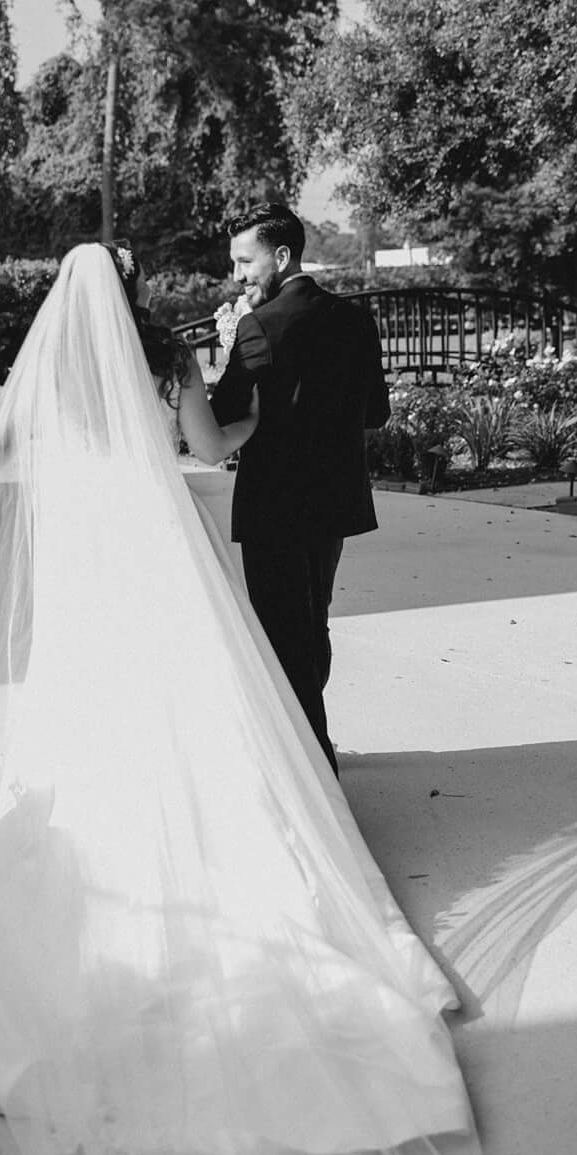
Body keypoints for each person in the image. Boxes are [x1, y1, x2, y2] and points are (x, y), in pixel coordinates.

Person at [0, 243, 535, 1155]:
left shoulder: (52, 372)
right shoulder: (163, 354)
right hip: (157, 549)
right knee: (212, 706)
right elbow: (209, 450)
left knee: (99, 724)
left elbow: (20, 460)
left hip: (89, 562)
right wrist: (251, 432)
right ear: (133, 290)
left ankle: (110, 866)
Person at [205, 203, 394, 772]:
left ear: (281, 256)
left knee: (284, 633)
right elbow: (377, 414)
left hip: (275, 508)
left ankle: (314, 767)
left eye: (246, 261)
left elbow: (223, 416)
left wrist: (231, 342)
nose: (239, 275)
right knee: (312, 622)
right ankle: (313, 745)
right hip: (334, 502)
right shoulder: (357, 320)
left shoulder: (256, 326)